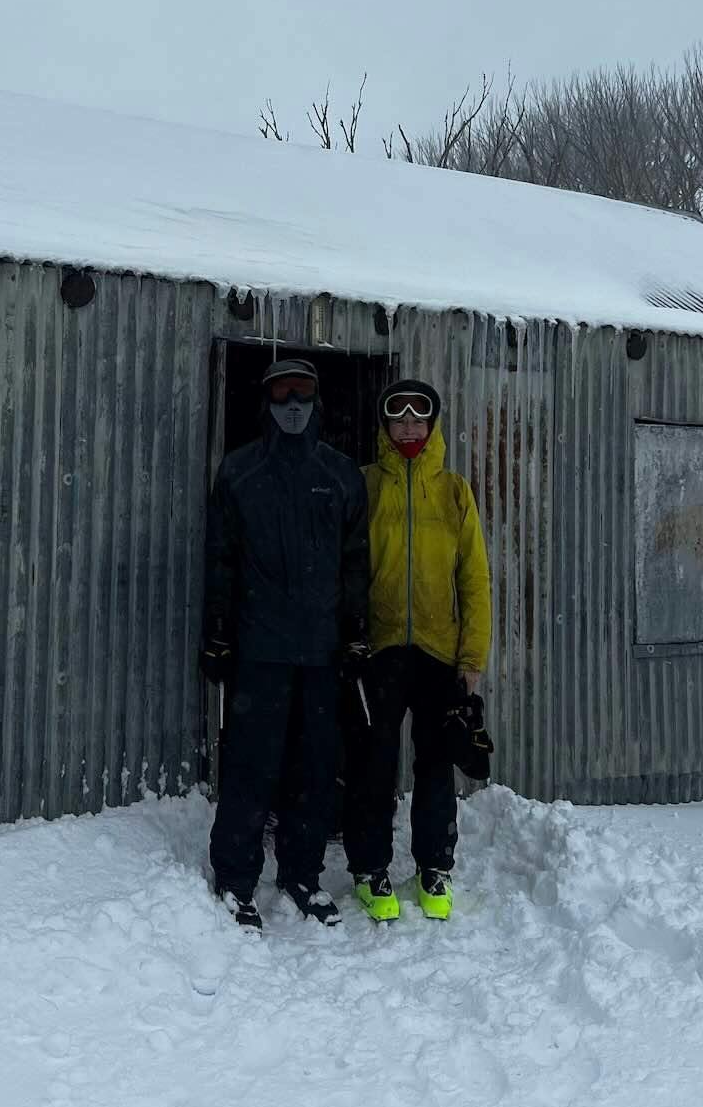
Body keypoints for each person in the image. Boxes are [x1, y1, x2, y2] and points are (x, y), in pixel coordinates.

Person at [202, 357, 369, 930]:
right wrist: (218, 633)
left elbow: (355, 563)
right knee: (252, 766)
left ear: (318, 402)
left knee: (318, 769)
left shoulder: (342, 473)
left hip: (322, 653)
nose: (293, 404)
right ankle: (235, 877)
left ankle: (302, 872)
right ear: (266, 402)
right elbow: (220, 559)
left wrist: (356, 633)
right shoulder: (241, 472)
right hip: (260, 650)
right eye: (281, 393)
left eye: (303, 393)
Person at [344, 377, 491, 922]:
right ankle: (369, 867)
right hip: (380, 651)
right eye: (398, 417)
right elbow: (348, 567)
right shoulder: (364, 485)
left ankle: (435, 865)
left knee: (434, 765)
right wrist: (349, 636)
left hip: (437, 652)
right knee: (373, 764)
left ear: (432, 426)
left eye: (418, 418)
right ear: (385, 426)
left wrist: (471, 660)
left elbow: (474, 578)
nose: (408, 427)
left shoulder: (454, 491)